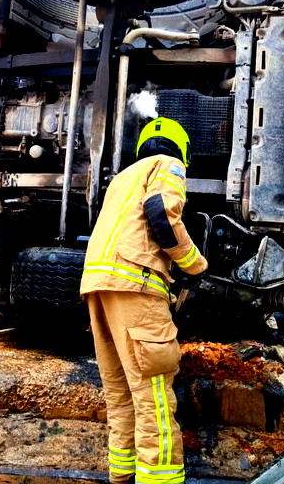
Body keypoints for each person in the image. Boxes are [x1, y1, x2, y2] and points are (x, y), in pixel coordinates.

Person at [80, 116, 208, 484]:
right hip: (136, 285)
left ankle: (121, 476)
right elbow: (161, 215)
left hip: (99, 286)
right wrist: (194, 264)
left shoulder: (123, 178)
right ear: (181, 147)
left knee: (121, 393)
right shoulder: (169, 165)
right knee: (154, 395)